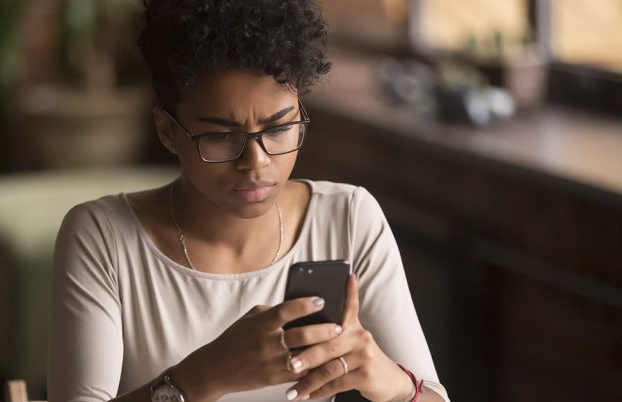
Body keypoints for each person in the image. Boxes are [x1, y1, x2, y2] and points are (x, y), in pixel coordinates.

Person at [47, 1, 450, 401]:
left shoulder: (347, 219)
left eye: (279, 128)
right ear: (168, 131)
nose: (256, 162)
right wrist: (201, 378)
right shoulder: (103, 238)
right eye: (222, 137)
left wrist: (391, 382)